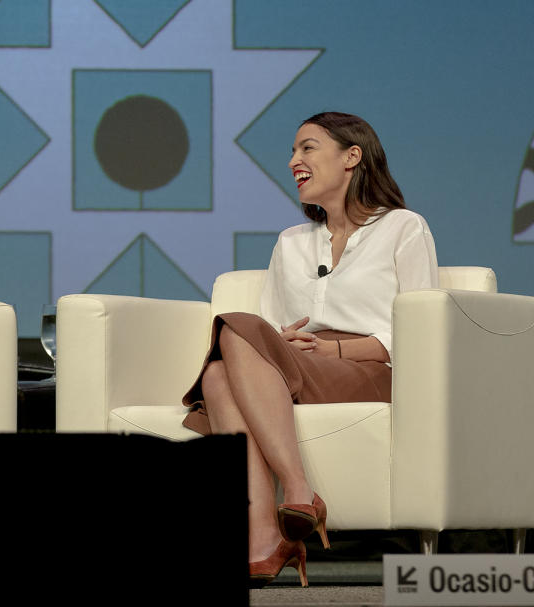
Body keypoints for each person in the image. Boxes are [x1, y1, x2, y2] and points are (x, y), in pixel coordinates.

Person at [181, 112, 438, 587]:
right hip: (300, 368)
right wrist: (286, 343)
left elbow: (421, 333)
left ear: (352, 157)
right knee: (221, 370)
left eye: (307, 148)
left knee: (231, 336)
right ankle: (264, 536)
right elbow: (269, 328)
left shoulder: (404, 228)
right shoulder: (291, 242)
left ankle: (296, 495)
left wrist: (333, 352)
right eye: (293, 151)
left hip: (372, 371)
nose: (293, 161)